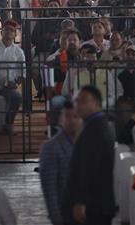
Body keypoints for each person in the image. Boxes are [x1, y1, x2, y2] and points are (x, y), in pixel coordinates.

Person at [64, 86, 115, 225]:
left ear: (97, 103)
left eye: (83, 100)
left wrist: (81, 201)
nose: (78, 105)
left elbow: (90, 169)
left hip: (94, 205)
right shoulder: (93, 125)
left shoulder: (96, 129)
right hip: (95, 204)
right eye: (76, 101)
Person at [39, 101, 82, 225]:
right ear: (60, 119)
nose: (72, 121)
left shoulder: (87, 144)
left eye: (76, 116)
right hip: (66, 214)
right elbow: (49, 188)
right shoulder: (50, 148)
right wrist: (56, 217)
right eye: (67, 116)